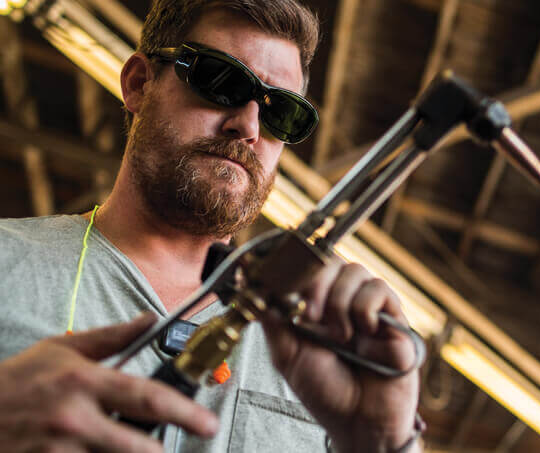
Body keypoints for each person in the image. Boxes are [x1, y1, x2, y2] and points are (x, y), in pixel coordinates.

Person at [0, 0, 421, 451]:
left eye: (281, 113)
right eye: (220, 80)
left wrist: (385, 442)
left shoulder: (324, 352)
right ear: (140, 83)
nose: (248, 126)